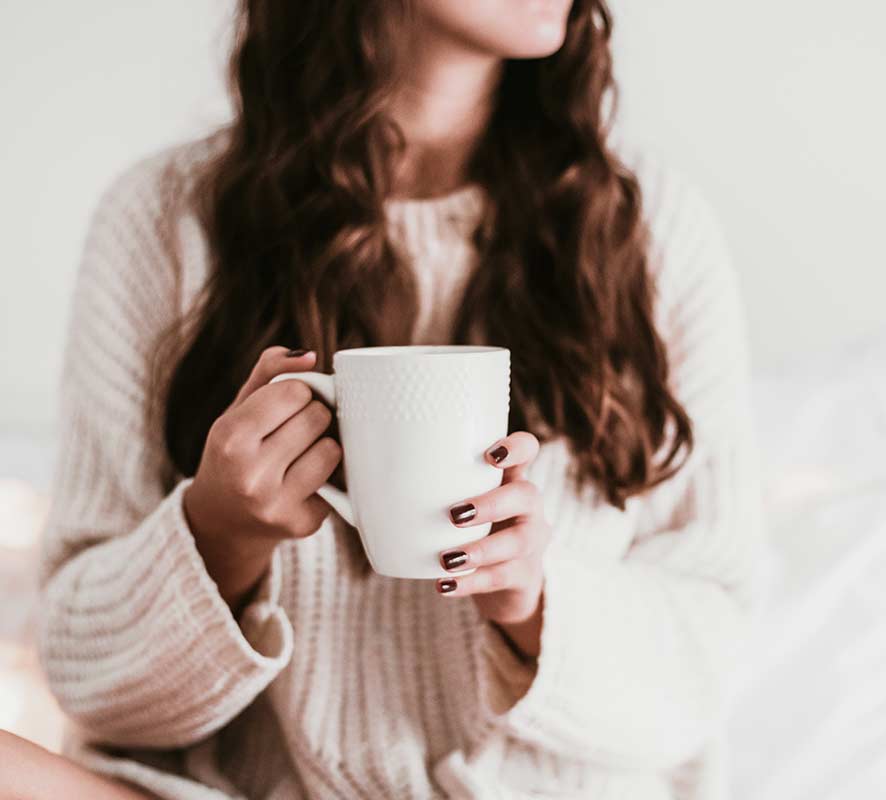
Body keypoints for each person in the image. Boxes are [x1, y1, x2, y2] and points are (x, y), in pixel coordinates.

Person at [7, 0, 765, 797]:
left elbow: (709, 667)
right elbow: (87, 678)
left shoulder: (646, 232)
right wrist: (219, 535)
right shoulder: (166, 222)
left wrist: (532, 605)